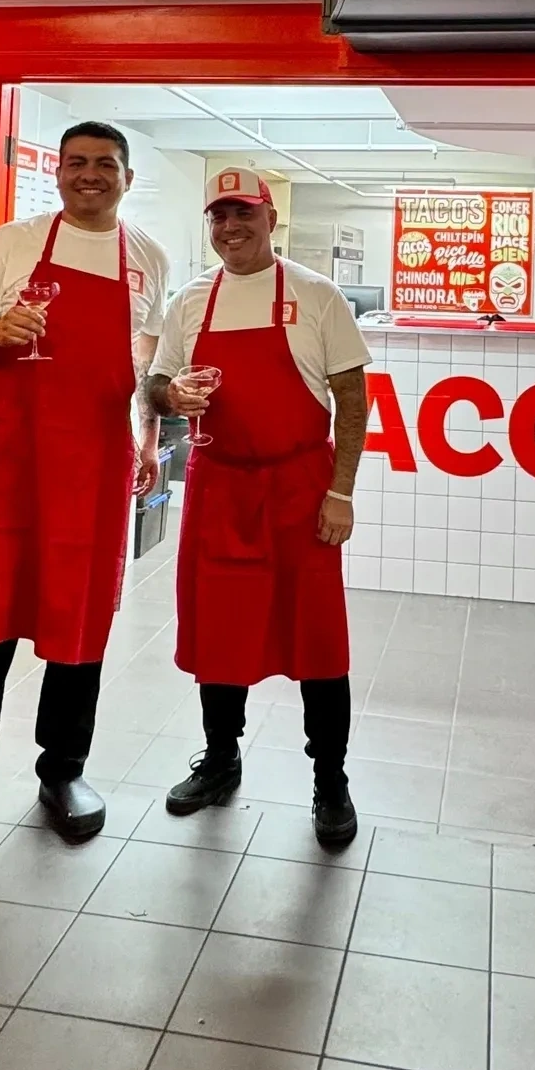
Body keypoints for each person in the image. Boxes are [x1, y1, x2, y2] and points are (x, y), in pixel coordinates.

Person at [0, 122, 168, 865]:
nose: (89, 175)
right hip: (10, 462)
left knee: (79, 628)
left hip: (96, 468)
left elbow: (146, 365)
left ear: (127, 177)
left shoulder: (147, 257)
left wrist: (147, 441)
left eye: (104, 165)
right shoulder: (13, 242)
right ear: (59, 173)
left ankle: (63, 776)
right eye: (76, 163)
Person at [147, 168, 370, 849]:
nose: (229, 227)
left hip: (299, 490)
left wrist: (340, 492)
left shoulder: (316, 295)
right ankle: (220, 759)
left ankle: (329, 781)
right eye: (219, 215)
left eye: (244, 213)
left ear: (271, 220)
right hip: (219, 490)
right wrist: (169, 397)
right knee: (221, 632)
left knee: (319, 644)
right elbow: (155, 384)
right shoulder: (191, 302)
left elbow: (352, 403)